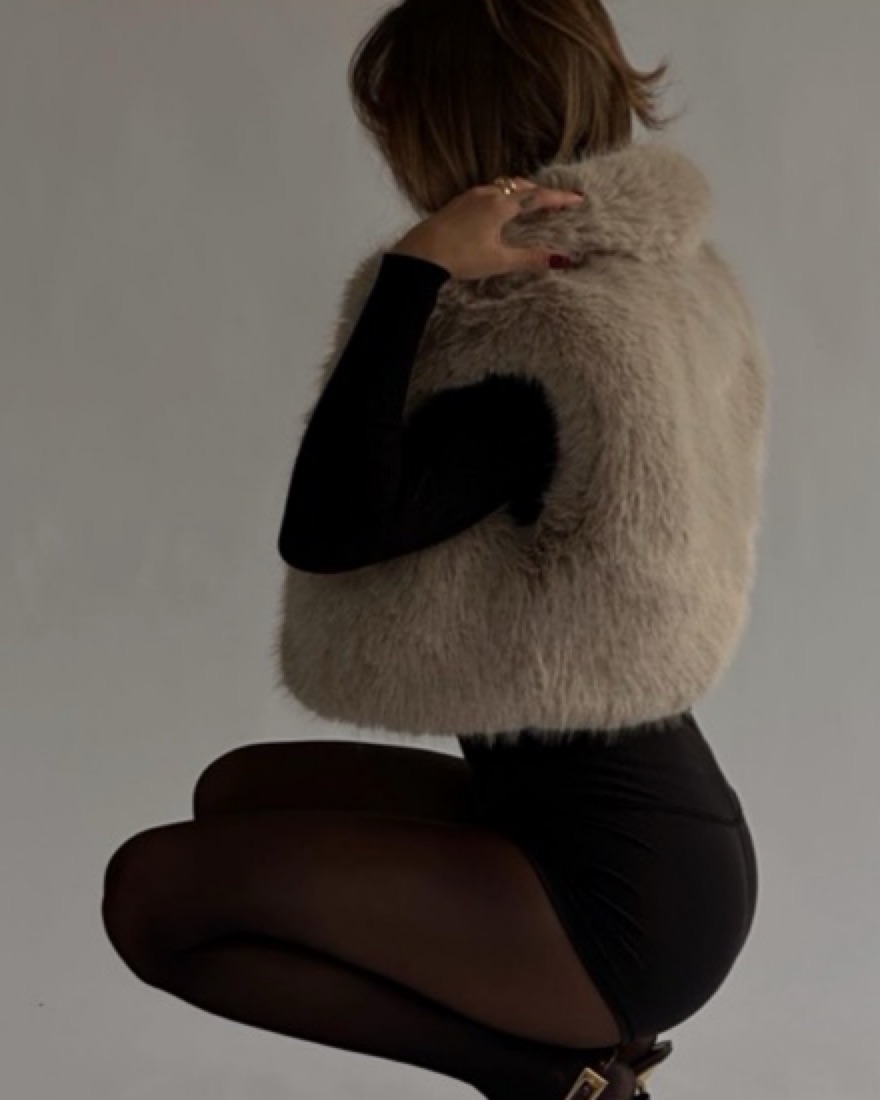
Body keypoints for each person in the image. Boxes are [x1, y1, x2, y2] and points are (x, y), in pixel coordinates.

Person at [101, 3, 767, 1100]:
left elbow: (330, 529)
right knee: (236, 790)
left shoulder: (546, 330)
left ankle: (555, 1083)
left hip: (618, 905)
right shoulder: (648, 282)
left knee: (154, 894)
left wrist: (411, 275)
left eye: (398, 123)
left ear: (451, 125)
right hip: (644, 832)